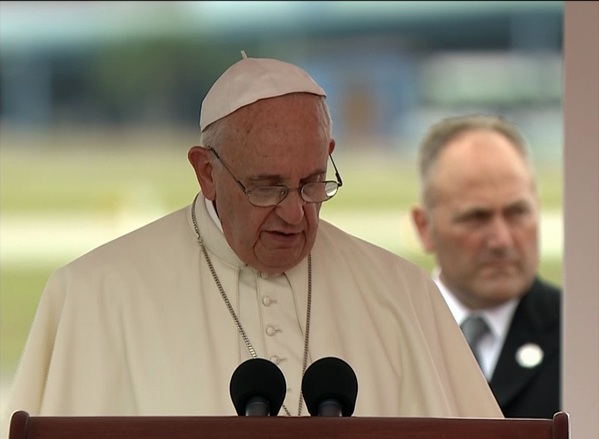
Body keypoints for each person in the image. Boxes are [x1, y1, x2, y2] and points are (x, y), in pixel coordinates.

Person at [3, 52, 502, 435]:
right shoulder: (96, 294)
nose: (293, 213)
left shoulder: (402, 293)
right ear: (206, 172)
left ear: (329, 154)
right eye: (267, 187)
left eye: (312, 183)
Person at [410, 114, 561, 418]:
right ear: (425, 228)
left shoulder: (582, 335)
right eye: (476, 217)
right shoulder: (390, 336)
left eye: (517, 212)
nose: (502, 240)